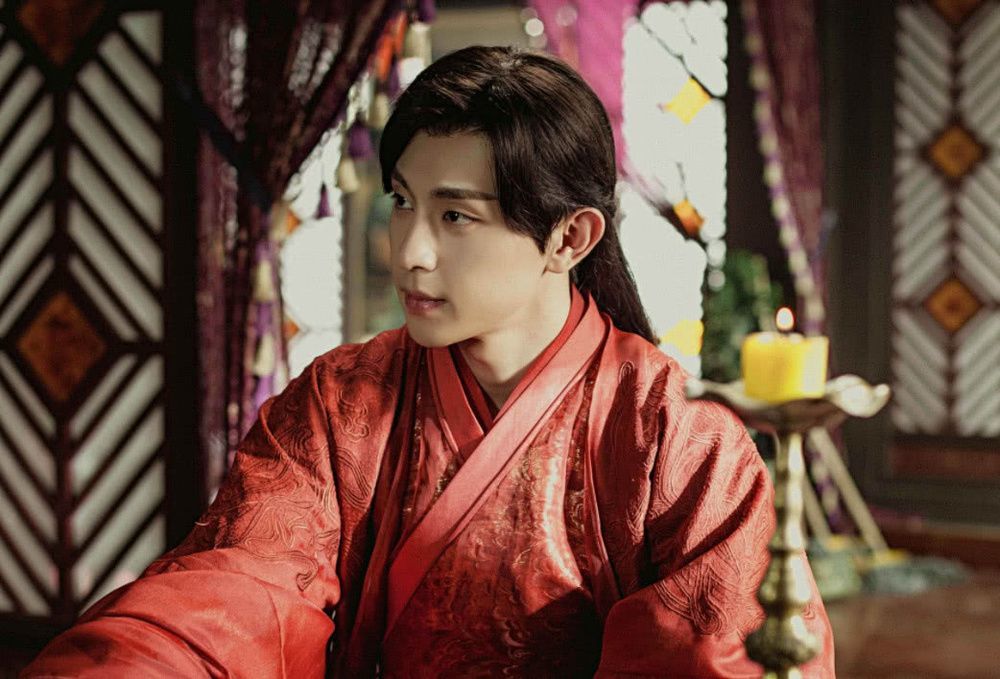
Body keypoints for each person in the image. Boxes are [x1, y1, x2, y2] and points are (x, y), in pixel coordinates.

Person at [24, 45, 834, 678]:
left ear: (570, 237)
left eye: (456, 216)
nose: (409, 250)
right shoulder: (339, 403)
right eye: (403, 202)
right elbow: (237, 592)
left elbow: (722, 650)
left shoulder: (677, 432)